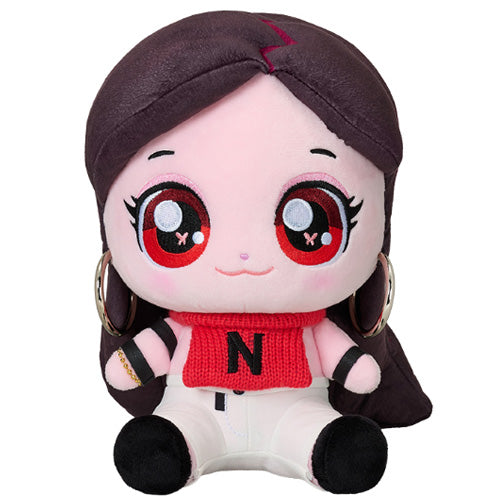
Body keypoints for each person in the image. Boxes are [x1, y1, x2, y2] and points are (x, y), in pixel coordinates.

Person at [86, 11, 432, 495]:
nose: (244, 254)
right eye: (177, 219)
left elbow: (358, 371)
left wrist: (357, 367)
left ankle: (326, 450)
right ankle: (174, 447)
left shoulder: (312, 325)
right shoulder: (181, 328)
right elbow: (132, 367)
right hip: (193, 411)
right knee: (172, 436)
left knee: (320, 436)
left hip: (299, 411)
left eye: (310, 219)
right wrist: (130, 365)